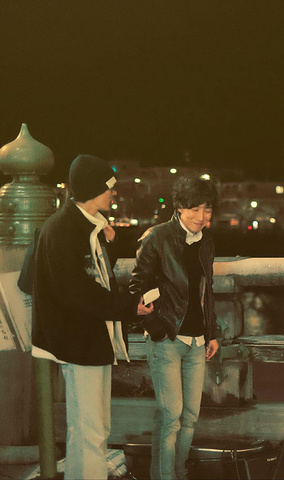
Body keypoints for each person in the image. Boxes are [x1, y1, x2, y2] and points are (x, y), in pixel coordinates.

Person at [31, 154, 131, 480]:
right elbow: (79, 292)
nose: (113, 194)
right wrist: (129, 307)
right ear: (91, 189)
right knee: (92, 429)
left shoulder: (85, 226)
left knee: (90, 427)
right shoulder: (63, 230)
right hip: (78, 341)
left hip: (91, 339)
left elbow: (96, 276)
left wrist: (110, 245)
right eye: (108, 188)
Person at [129, 175, 221, 480]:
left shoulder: (206, 241)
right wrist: (157, 329)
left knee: (190, 418)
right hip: (168, 338)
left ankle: (178, 473)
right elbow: (137, 288)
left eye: (207, 210)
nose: (201, 217)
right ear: (179, 207)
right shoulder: (156, 237)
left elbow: (207, 290)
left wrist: (212, 333)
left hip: (197, 341)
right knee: (171, 417)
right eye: (194, 209)